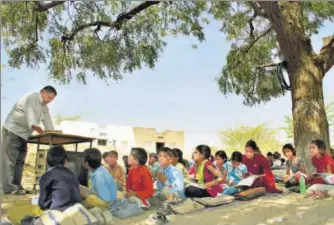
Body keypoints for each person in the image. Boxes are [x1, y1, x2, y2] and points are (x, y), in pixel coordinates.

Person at [1, 86, 57, 195]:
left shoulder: (45, 108)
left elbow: (48, 122)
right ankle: (9, 187)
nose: (50, 101)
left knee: (20, 161)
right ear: (43, 92)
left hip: (24, 134)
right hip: (13, 130)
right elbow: (30, 114)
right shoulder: (32, 97)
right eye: (49, 98)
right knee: (9, 160)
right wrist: (34, 126)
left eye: (52, 99)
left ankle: (17, 186)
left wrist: (53, 132)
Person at [39, 145, 81, 211]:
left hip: (58, 214)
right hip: (76, 212)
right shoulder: (72, 174)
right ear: (65, 161)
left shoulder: (46, 176)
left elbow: (42, 204)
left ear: (47, 161)